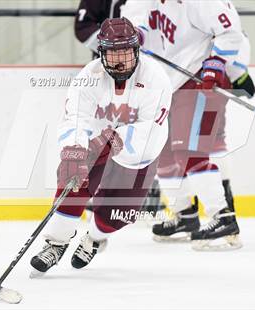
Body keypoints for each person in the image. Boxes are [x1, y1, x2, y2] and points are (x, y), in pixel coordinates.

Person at [30, 17, 172, 275]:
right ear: (102, 53)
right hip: (94, 144)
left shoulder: (156, 78)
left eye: (126, 53)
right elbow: (75, 116)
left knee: (119, 214)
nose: (120, 61)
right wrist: (74, 151)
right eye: (113, 53)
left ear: (137, 50)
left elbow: (151, 127)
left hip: (136, 153)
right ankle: (56, 243)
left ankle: (94, 239)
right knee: (71, 180)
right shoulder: (89, 76)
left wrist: (114, 140)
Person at [121, 0, 255, 250]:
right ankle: (184, 214)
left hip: (194, 80)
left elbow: (230, 31)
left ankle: (222, 218)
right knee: (161, 152)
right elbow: (130, 21)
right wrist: (132, 36)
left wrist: (218, 63)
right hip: (161, 82)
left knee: (190, 150)